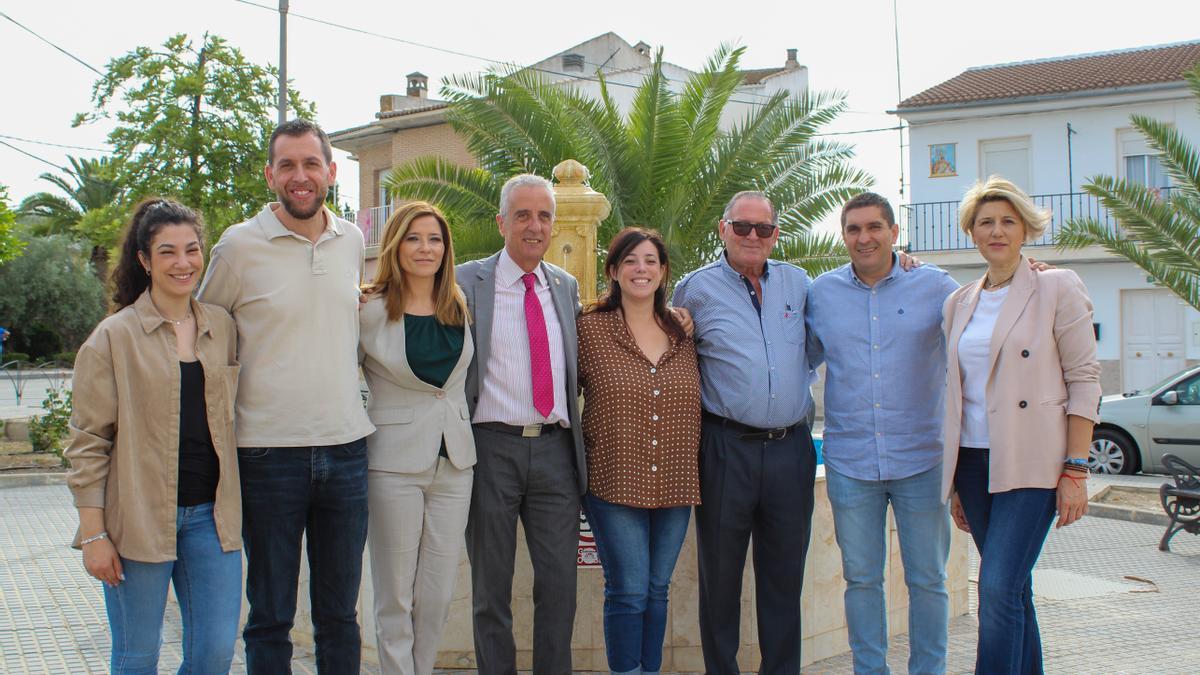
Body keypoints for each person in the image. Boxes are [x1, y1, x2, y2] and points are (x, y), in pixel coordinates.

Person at [198, 118, 375, 673]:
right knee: (271, 614)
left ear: (331, 171)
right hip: (267, 453)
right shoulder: (237, 246)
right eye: (288, 166)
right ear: (271, 174)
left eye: (311, 164)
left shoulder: (352, 240)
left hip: (347, 450)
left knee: (340, 616)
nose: (301, 177)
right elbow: (205, 333)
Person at [66, 198, 241, 674]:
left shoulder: (221, 328)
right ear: (144, 260)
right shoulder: (112, 338)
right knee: (137, 656)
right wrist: (94, 534)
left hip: (212, 521)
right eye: (167, 252)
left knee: (215, 653)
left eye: (191, 250)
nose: (182, 263)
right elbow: (88, 442)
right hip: (136, 522)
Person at [942, 176, 1101, 674]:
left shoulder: (1056, 286)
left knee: (995, 588)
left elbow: (1084, 378)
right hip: (973, 463)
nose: (997, 230)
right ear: (971, 231)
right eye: (986, 221)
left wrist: (1076, 469)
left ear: (1025, 229)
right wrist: (954, 487)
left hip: (1032, 463)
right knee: (1013, 590)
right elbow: (956, 394)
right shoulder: (958, 303)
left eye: (1008, 221)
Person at [806, 192, 960, 674]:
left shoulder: (935, 286)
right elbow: (797, 358)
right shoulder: (821, 293)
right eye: (853, 229)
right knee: (862, 580)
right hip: (851, 463)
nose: (864, 237)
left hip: (923, 460)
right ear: (844, 235)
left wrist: (1029, 274)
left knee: (929, 580)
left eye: (874, 227)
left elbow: (986, 320)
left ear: (894, 232)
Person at [671, 191, 819, 674]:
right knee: (720, 578)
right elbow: (673, 357)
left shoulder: (800, 285)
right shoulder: (694, 289)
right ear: (723, 229)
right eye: (742, 227)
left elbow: (816, 346)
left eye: (763, 229)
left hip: (790, 449)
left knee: (784, 577)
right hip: (724, 448)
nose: (753, 237)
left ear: (776, 234)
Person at [458, 173, 586, 674]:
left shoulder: (564, 285)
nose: (535, 226)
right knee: (491, 589)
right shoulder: (468, 280)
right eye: (523, 215)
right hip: (492, 450)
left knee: (559, 587)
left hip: (556, 452)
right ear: (501, 222)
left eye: (544, 216)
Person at [577, 227, 701, 675]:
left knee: (657, 588)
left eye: (650, 260)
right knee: (628, 589)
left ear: (664, 271)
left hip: (674, 479)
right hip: (613, 479)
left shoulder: (685, 333)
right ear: (613, 270)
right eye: (630, 260)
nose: (641, 269)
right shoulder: (589, 329)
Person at [359, 201, 475, 675]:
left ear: (446, 248)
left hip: (456, 462)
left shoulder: (459, 304)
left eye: (434, 239)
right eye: (413, 238)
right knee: (394, 593)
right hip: (392, 464)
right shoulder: (367, 309)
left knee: (438, 591)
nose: (425, 248)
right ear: (395, 245)